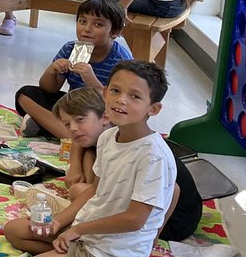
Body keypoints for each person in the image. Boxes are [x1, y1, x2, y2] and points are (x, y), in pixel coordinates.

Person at [8, 61, 179, 257]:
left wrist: (78, 230)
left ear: (154, 109)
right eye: (116, 91)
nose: (121, 100)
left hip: (114, 250)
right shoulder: (109, 137)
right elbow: (95, 190)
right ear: (105, 93)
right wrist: (59, 222)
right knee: (13, 230)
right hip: (89, 231)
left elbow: (135, 220)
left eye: (135, 96)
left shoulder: (153, 156)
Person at [54, 87, 201, 241]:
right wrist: (75, 165)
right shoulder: (109, 136)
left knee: (78, 191)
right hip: (139, 209)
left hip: (170, 222)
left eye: (80, 120)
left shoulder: (141, 149)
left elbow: (174, 190)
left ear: (105, 117)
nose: (73, 129)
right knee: (88, 160)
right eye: (67, 125)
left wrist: (154, 237)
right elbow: (82, 144)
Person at [13, 0, 131, 140]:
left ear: (115, 32)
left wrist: (92, 82)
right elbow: (49, 89)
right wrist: (52, 71)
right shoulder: (70, 48)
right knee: (24, 94)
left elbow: (121, 103)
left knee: (109, 122)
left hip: (100, 112)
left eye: (98, 25)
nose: (87, 29)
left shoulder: (121, 60)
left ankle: (58, 131)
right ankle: (68, 133)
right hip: (71, 106)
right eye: (82, 21)